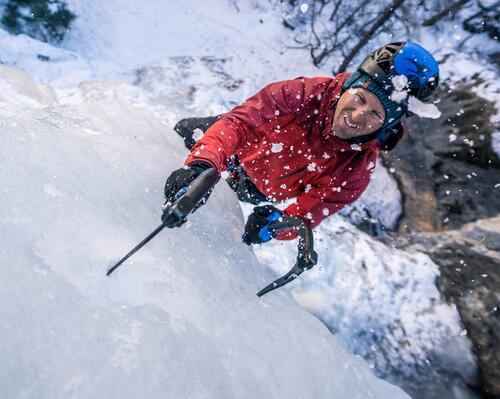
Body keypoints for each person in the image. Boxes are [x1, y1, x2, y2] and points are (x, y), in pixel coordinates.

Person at [163, 41, 439, 244]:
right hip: (236, 145)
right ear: (349, 85)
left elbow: (308, 212)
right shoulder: (302, 94)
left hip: (258, 188)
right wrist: (201, 164)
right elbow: (241, 124)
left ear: (387, 124)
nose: (356, 117)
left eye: (375, 114)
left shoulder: (356, 169)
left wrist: (275, 226)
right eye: (360, 98)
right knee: (184, 133)